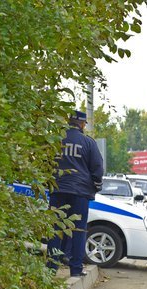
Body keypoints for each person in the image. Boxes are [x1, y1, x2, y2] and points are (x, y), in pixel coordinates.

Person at [47, 110, 104, 277]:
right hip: (80, 192)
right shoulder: (88, 142)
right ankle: (76, 270)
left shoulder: (56, 141)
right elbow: (97, 168)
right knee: (78, 230)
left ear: (68, 120)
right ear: (82, 124)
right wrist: (96, 185)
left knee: (56, 229)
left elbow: (46, 164)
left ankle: (51, 270)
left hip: (58, 190)